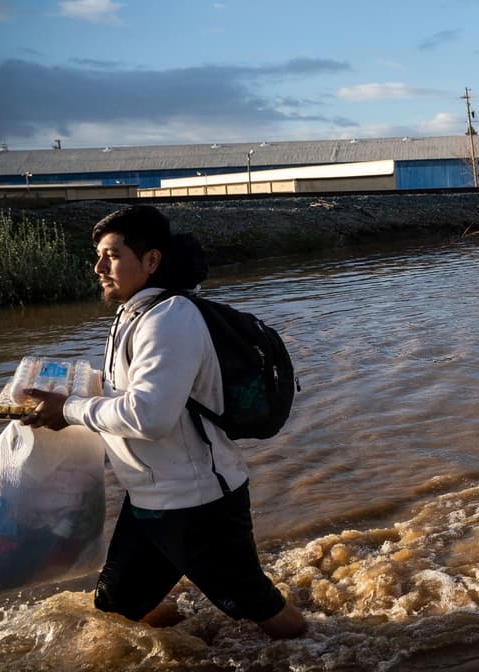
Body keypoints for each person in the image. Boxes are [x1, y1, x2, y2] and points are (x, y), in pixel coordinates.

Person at [22, 205, 305, 639]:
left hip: (199, 506)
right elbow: (127, 393)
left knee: (264, 612)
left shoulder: (170, 318)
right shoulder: (133, 314)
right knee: (116, 607)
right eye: (98, 255)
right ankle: (195, 644)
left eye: (112, 255)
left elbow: (149, 416)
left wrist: (68, 410)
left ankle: (332, 663)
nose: (99, 267)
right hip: (151, 500)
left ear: (151, 260)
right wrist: (69, 392)